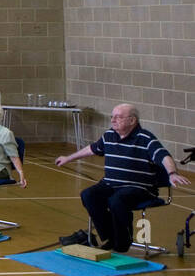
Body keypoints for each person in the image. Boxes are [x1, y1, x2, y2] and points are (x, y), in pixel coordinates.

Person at [56, 103, 190, 253]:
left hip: (140, 188)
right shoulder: (109, 135)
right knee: (89, 195)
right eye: (112, 117)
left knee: (117, 200)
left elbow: (164, 156)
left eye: (118, 117)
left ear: (132, 120)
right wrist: (68, 158)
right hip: (111, 184)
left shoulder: (145, 138)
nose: (113, 120)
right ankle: (111, 237)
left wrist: (172, 174)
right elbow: (91, 149)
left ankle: (122, 243)